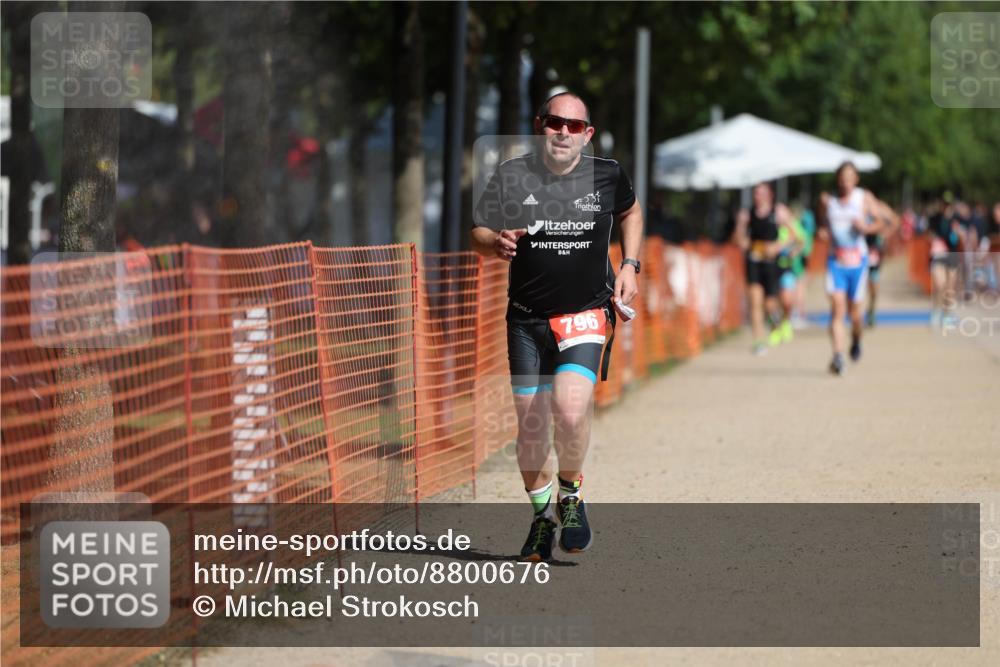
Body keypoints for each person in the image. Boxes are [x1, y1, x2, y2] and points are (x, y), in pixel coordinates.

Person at [471, 92, 644, 561]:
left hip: (584, 314)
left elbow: (630, 211)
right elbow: (480, 232)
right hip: (526, 317)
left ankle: (571, 493)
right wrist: (496, 241)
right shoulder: (513, 175)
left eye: (573, 125)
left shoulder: (607, 174)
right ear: (539, 125)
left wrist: (629, 263)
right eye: (554, 123)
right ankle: (541, 519)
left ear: (587, 134)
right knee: (530, 432)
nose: (562, 132)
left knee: (569, 411)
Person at [818, 162, 883, 376]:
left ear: (856, 180)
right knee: (837, 309)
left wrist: (866, 227)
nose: (846, 181)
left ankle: (856, 338)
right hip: (836, 262)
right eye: (842, 176)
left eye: (850, 177)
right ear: (838, 179)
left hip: (858, 263)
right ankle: (837, 355)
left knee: (855, 314)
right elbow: (823, 225)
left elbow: (881, 222)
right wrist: (823, 232)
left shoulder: (863, 198)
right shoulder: (830, 202)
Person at [731, 182, 794, 354]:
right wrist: (741, 233)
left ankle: (778, 323)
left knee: (770, 304)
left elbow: (793, 235)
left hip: (772, 263)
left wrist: (777, 247)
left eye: (761, 193)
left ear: (770, 194)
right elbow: (737, 238)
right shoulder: (747, 214)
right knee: (754, 302)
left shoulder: (778, 211)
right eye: (756, 193)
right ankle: (759, 340)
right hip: (753, 261)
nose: (758, 196)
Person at [864, 199, 900, 327]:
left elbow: (895, 220)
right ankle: (857, 311)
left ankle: (871, 310)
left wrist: (885, 234)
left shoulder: (880, 208)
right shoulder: (858, 205)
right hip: (860, 250)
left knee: (873, 285)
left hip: (874, 252)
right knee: (861, 285)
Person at [928, 193, 962, 328]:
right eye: (944, 204)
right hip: (938, 254)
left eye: (948, 204)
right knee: (939, 285)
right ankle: (936, 312)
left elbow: (960, 237)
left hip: (952, 255)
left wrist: (958, 231)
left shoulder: (956, 219)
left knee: (950, 288)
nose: (946, 207)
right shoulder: (935, 218)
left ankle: (947, 315)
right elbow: (929, 233)